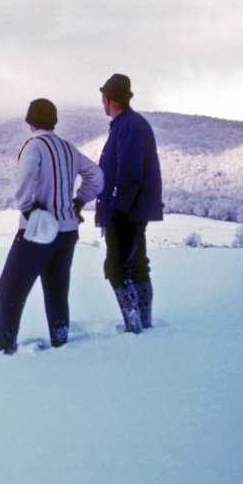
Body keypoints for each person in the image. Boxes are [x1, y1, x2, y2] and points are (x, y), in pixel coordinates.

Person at [0, 98, 103, 354]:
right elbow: (96, 175)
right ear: (54, 121)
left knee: (10, 289)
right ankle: (60, 343)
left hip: (38, 231)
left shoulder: (33, 147)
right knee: (57, 291)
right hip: (68, 231)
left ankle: (5, 349)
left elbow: (25, 179)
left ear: (30, 122)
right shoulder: (68, 148)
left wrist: (27, 207)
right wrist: (79, 201)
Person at [95, 73, 164, 334]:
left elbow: (130, 172)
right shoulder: (127, 125)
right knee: (135, 265)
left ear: (109, 99)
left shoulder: (129, 126)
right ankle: (141, 323)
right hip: (131, 211)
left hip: (126, 212)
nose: (102, 100)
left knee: (117, 267)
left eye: (103, 96)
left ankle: (135, 326)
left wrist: (119, 209)